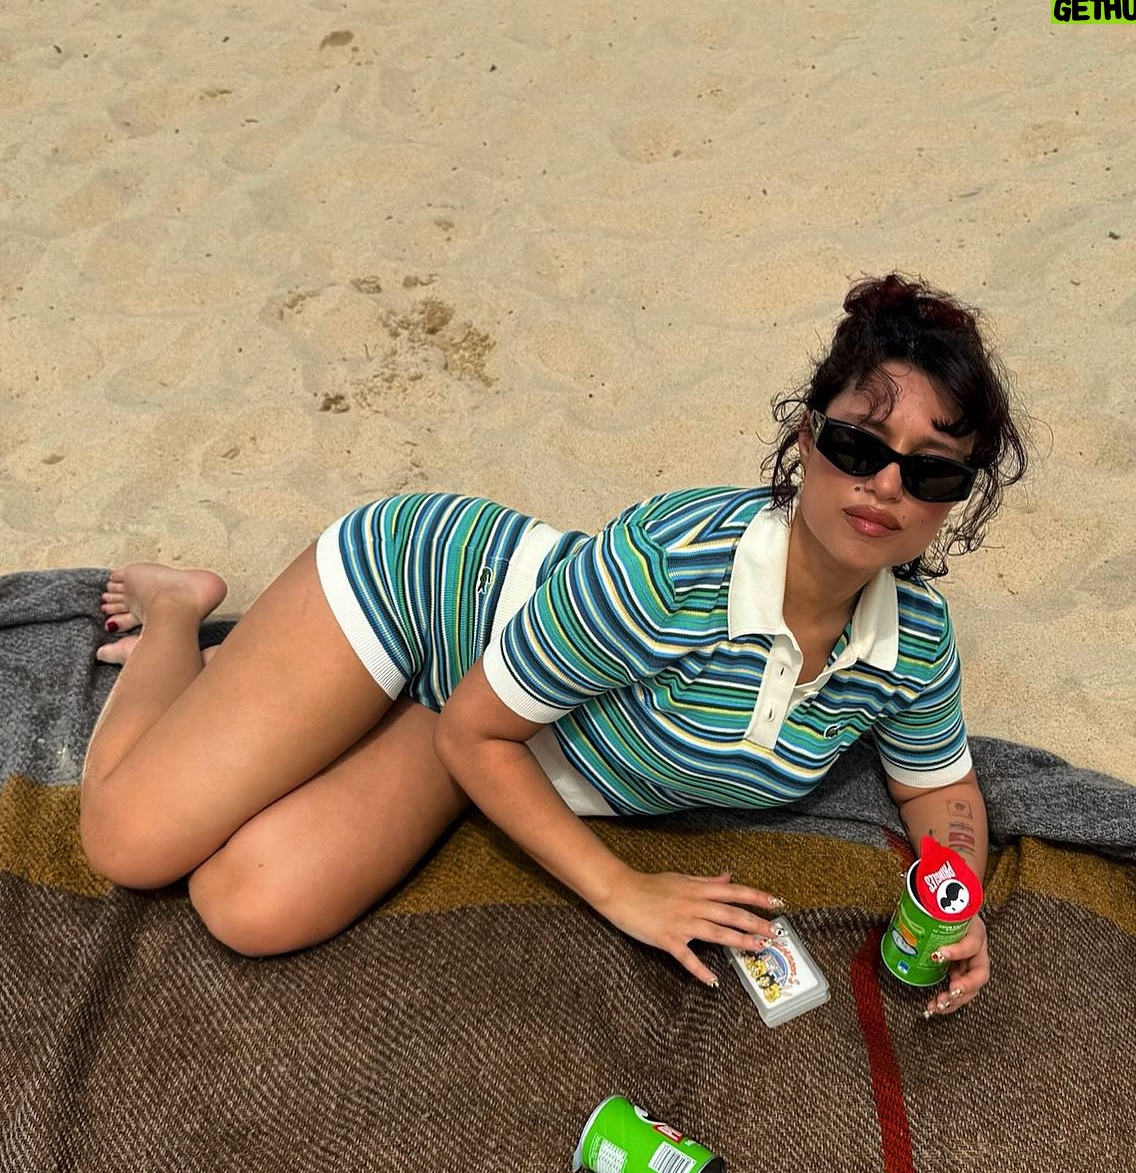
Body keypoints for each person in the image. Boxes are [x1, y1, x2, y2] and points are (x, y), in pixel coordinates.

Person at [79, 272, 1028, 1020]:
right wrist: (623, 890)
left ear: (957, 499)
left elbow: (939, 789)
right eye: (859, 445)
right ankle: (176, 610)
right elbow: (479, 731)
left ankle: (345, 701)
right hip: (423, 593)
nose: (885, 485)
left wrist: (957, 903)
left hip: (494, 712)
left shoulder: (913, 645)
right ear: (806, 438)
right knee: (130, 842)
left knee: (248, 905)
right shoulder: (670, 567)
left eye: (931, 471)